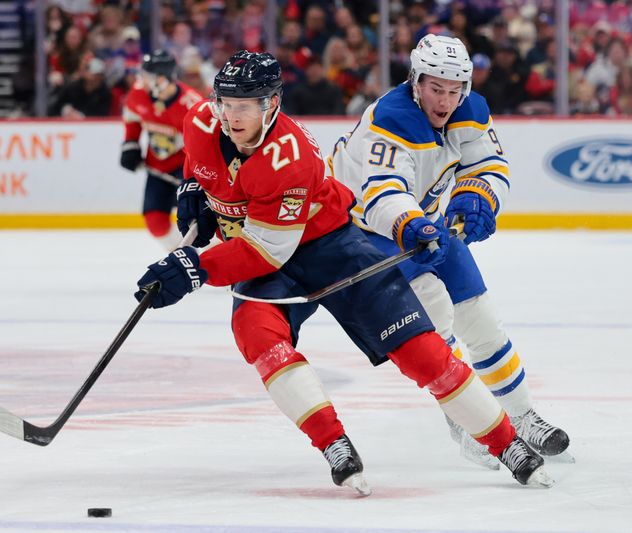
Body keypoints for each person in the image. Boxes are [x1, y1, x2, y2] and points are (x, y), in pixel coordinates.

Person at [133, 50, 554, 494]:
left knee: (420, 349)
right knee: (257, 335)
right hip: (265, 247)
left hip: (329, 244)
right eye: (225, 103)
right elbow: (202, 165)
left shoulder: (289, 157)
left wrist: (195, 267)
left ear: (271, 104)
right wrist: (194, 187)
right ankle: (333, 442)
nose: (230, 116)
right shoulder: (201, 119)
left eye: (244, 106)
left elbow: (265, 251)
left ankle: (506, 443)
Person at [328, 34, 571, 469]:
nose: (445, 100)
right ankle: (466, 418)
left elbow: (489, 165)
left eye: (454, 89)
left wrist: (479, 195)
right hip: (368, 230)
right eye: (435, 88)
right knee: (436, 314)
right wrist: (411, 224)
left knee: (480, 317)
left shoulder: (471, 110)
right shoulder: (391, 116)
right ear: (415, 82)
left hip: (426, 219)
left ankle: (521, 414)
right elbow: (382, 191)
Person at [120, 49, 203, 250]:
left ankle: (216, 258)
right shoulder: (139, 94)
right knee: (155, 222)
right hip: (157, 167)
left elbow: (206, 143)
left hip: (187, 170)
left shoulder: (192, 105)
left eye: (149, 76)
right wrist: (130, 143)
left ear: (164, 78)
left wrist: (197, 173)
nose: (143, 80)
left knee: (198, 220)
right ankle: (183, 257)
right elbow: (132, 117)